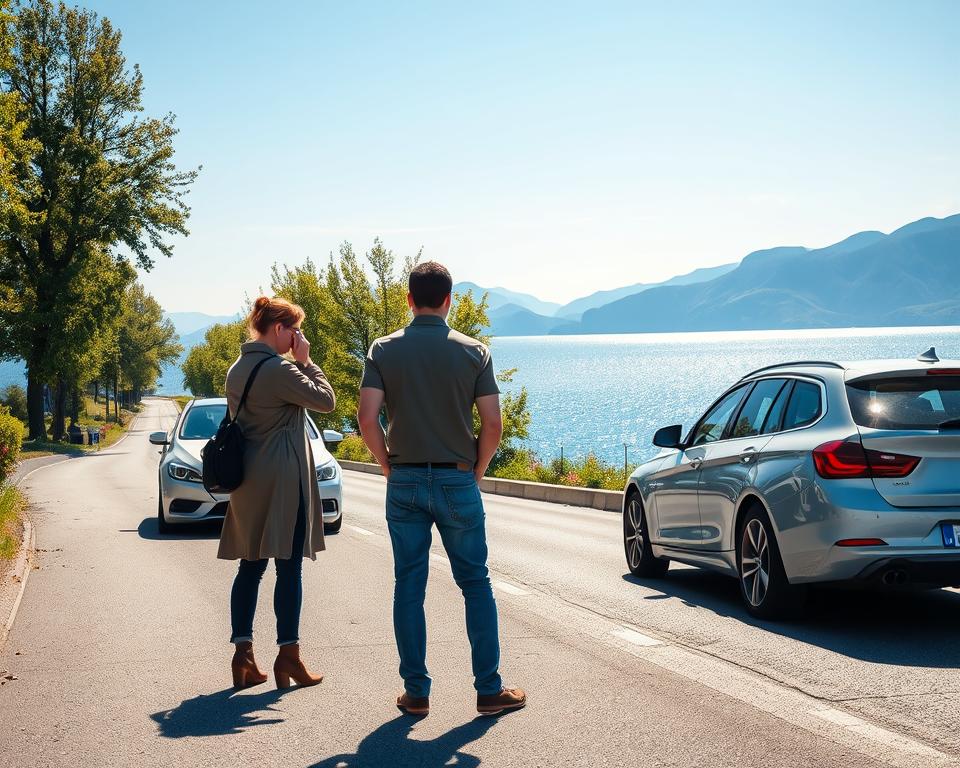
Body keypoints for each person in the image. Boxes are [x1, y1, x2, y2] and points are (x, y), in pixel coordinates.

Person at [358, 261, 526, 717]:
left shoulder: (382, 349)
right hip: (457, 477)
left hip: (406, 477)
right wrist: (478, 471)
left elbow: (366, 418)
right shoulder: (475, 351)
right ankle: (489, 690)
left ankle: (416, 693)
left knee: (409, 586)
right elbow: (493, 423)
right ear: (449, 299)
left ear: (409, 300)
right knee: (475, 583)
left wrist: (386, 464)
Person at [218, 296, 336, 689]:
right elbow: (326, 401)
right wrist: (306, 361)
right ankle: (289, 657)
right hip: (284, 479)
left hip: (248, 481)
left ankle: (243, 655)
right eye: (295, 330)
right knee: (289, 566)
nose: (298, 338)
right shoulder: (279, 370)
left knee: (250, 567)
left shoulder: (238, 369)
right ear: (279, 329)